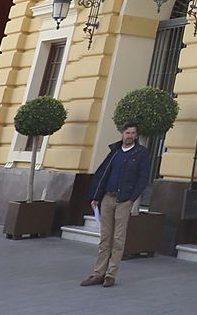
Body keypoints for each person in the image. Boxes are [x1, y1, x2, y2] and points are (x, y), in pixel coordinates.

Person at [80, 123, 150, 288]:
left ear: (136, 135)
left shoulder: (141, 153)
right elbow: (104, 174)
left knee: (118, 239)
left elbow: (143, 177)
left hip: (124, 200)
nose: (129, 136)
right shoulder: (115, 152)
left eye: (132, 133)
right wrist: (96, 196)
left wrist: (132, 198)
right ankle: (98, 273)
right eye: (127, 133)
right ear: (122, 134)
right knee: (105, 238)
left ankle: (110, 275)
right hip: (107, 198)